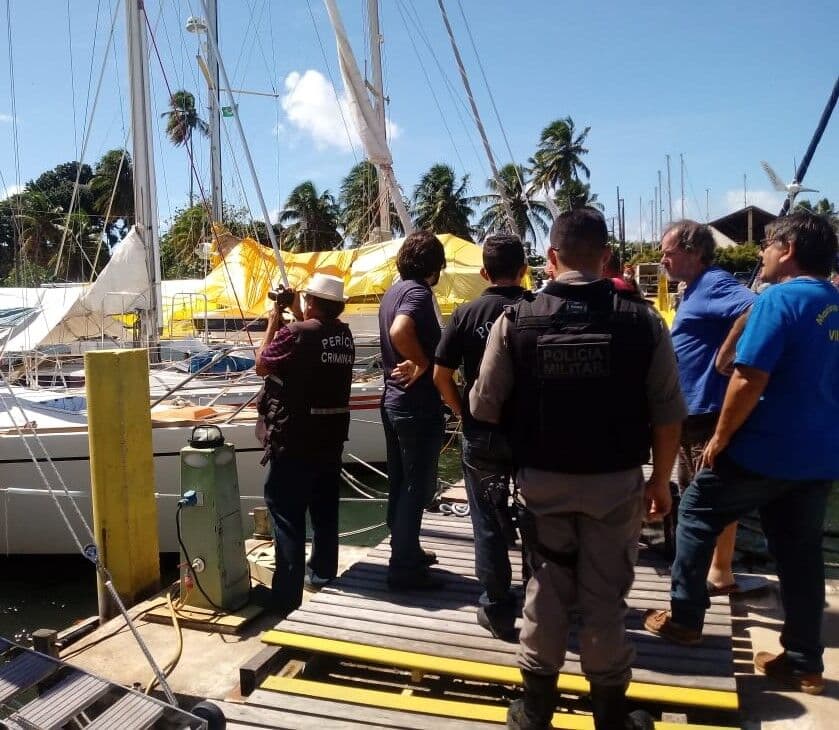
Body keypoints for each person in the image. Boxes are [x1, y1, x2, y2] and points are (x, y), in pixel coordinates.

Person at [470, 209, 685, 730]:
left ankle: (536, 710)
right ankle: (610, 715)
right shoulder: (642, 321)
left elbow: (483, 405)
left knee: (545, 589)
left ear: (549, 258)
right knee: (606, 596)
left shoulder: (515, 321)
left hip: (542, 483)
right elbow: (668, 410)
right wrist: (660, 479)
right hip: (615, 483)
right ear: (607, 256)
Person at [644, 211, 839, 696]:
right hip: (818, 456)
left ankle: (686, 617)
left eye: (770, 245)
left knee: (693, 512)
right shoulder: (834, 302)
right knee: (800, 555)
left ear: (789, 250)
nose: (762, 253)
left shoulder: (780, 299)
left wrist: (722, 437)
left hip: (764, 448)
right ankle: (801, 660)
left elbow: (748, 378)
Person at [434, 233, 528, 639]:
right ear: (524, 269)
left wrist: (461, 411)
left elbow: (441, 375)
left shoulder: (467, 314)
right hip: (532, 434)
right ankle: (543, 597)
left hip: (483, 432)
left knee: (487, 519)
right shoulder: (540, 308)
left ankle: (495, 602)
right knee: (539, 518)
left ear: (484, 272)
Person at [660, 220, 757, 595]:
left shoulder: (715, 282)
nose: (663, 260)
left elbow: (757, 307)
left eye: (668, 252)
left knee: (709, 495)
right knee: (695, 493)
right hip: (691, 410)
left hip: (707, 409)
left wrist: (726, 355)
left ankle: (717, 573)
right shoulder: (695, 288)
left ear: (694, 252)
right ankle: (712, 570)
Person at [255, 274, 355, 617]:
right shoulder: (343, 335)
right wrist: (297, 312)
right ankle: (323, 574)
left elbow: (262, 363)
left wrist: (273, 319)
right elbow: (314, 340)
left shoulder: (296, 333)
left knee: (286, 514)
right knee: (325, 510)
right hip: (330, 437)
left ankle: (285, 596)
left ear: (312, 302)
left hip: (295, 439)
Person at [379, 230, 447, 590]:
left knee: (401, 483)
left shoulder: (393, 291)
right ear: (434, 267)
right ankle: (403, 567)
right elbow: (400, 329)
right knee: (416, 487)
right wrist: (421, 361)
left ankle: (406, 548)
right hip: (415, 406)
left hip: (393, 402)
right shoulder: (419, 293)